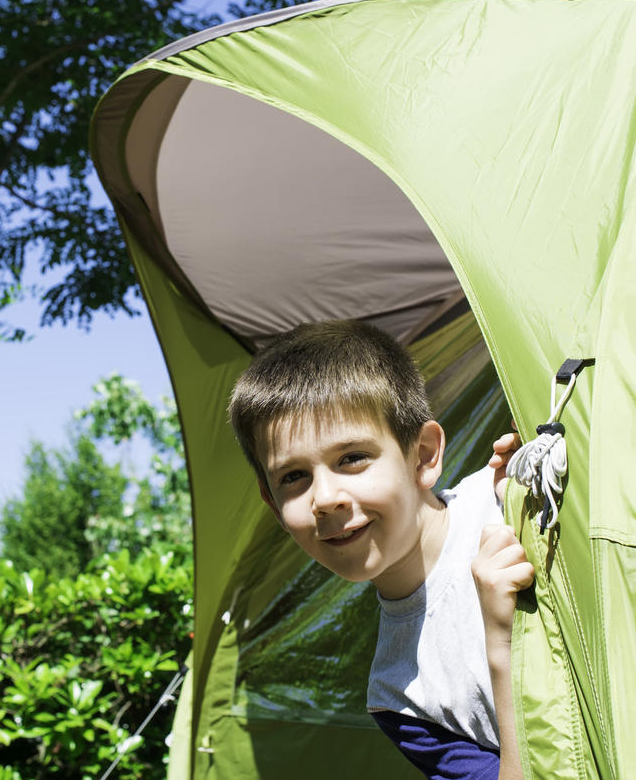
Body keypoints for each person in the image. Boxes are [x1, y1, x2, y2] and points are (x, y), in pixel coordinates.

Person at [227, 319, 534, 780]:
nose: (325, 497)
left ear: (424, 455)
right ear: (273, 504)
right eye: (293, 477)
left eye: (351, 458)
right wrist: (503, 645)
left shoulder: (511, 500)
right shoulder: (398, 698)